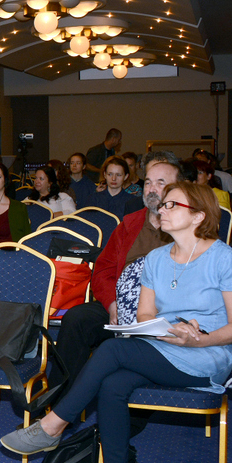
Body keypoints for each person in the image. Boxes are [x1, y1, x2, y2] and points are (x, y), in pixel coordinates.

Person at [0, 181, 232, 463]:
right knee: (112, 384)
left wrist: (199, 339)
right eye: (163, 204)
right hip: (163, 346)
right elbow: (145, 315)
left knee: (112, 351)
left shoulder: (223, 258)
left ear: (198, 216)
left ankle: (53, 425)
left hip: (206, 354)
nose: (162, 209)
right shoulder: (156, 259)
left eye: (173, 205)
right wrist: (163, 330)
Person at [51, 156, 181, 387]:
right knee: (76, 319)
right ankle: (60, 396)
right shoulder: (130, 224)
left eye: (160, 183)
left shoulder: (185, 228)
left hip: (164, 311)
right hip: (120, 303)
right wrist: (112, 303)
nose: (152, 189)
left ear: (177, 189)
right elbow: (103, 270)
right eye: (148, 182)